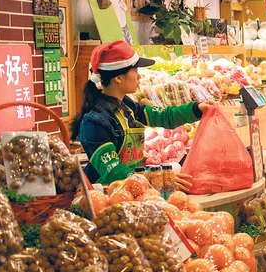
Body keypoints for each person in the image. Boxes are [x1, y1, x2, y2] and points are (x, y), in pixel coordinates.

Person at [72, 41, 214, 187]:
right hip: (108, 195)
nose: (139, 76)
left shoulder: (127, 106)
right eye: (135, 70)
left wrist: (197, 109)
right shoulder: (94, 122)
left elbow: (164, 116)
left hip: (136, 188)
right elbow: (113, 171)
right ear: (118, 78)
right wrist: (156, 178)